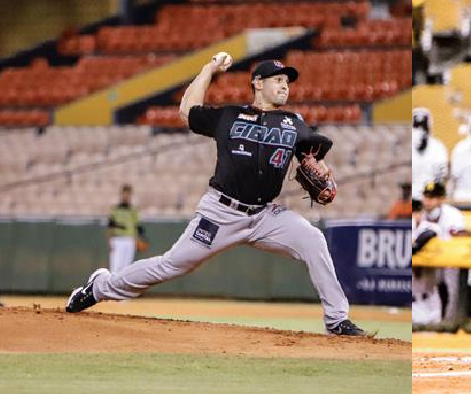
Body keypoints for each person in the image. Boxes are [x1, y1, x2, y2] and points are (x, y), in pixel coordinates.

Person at [65, 54, 366, 336]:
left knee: (313, 239)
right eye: (278, 79)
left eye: (287, 81)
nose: (285, 85)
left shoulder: (293, 122)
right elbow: (187, 112)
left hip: (264, 215)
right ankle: (99, 288)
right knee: (171, 265)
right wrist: (208, 69)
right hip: (220, 213)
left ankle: (337, 319)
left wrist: (325, 175)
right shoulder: (230, 116)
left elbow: (312, 158)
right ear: (258, 83)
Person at [412, 181, 465, 324]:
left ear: (441, 199)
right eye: (426, 196)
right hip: (427, 262)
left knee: (451, 285)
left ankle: (450, 322)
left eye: (432, 197)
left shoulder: (453, 215)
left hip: (448, 261)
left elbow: (455, 241)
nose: (427, 201)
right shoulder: (418, 216)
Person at [411, 199, 443, 324]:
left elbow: (428, 234)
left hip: (428, 300)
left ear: (420, 213)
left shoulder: (431, 227)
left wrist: (415, 245)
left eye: (415, 212)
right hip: (413, 302)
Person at [107, 184, 148, 274]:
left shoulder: (133, 210)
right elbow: (110, 226)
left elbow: (136, 226)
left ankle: (123, 288)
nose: (126, 196)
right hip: (117, 239)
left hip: (130, 240)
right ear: (121, 194)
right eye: (124, 194)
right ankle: (112, 288)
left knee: (127, 268)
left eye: (128, 194)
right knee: (115, 267)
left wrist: (137, 240)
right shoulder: (115, 209)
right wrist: (110, 241)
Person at [411, 107, 448, 199]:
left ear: (429, 128)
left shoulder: (438, 148)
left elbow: (442, 178)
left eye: (423, 128)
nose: (420, 131)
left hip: (430, 197)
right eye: (417, 127)